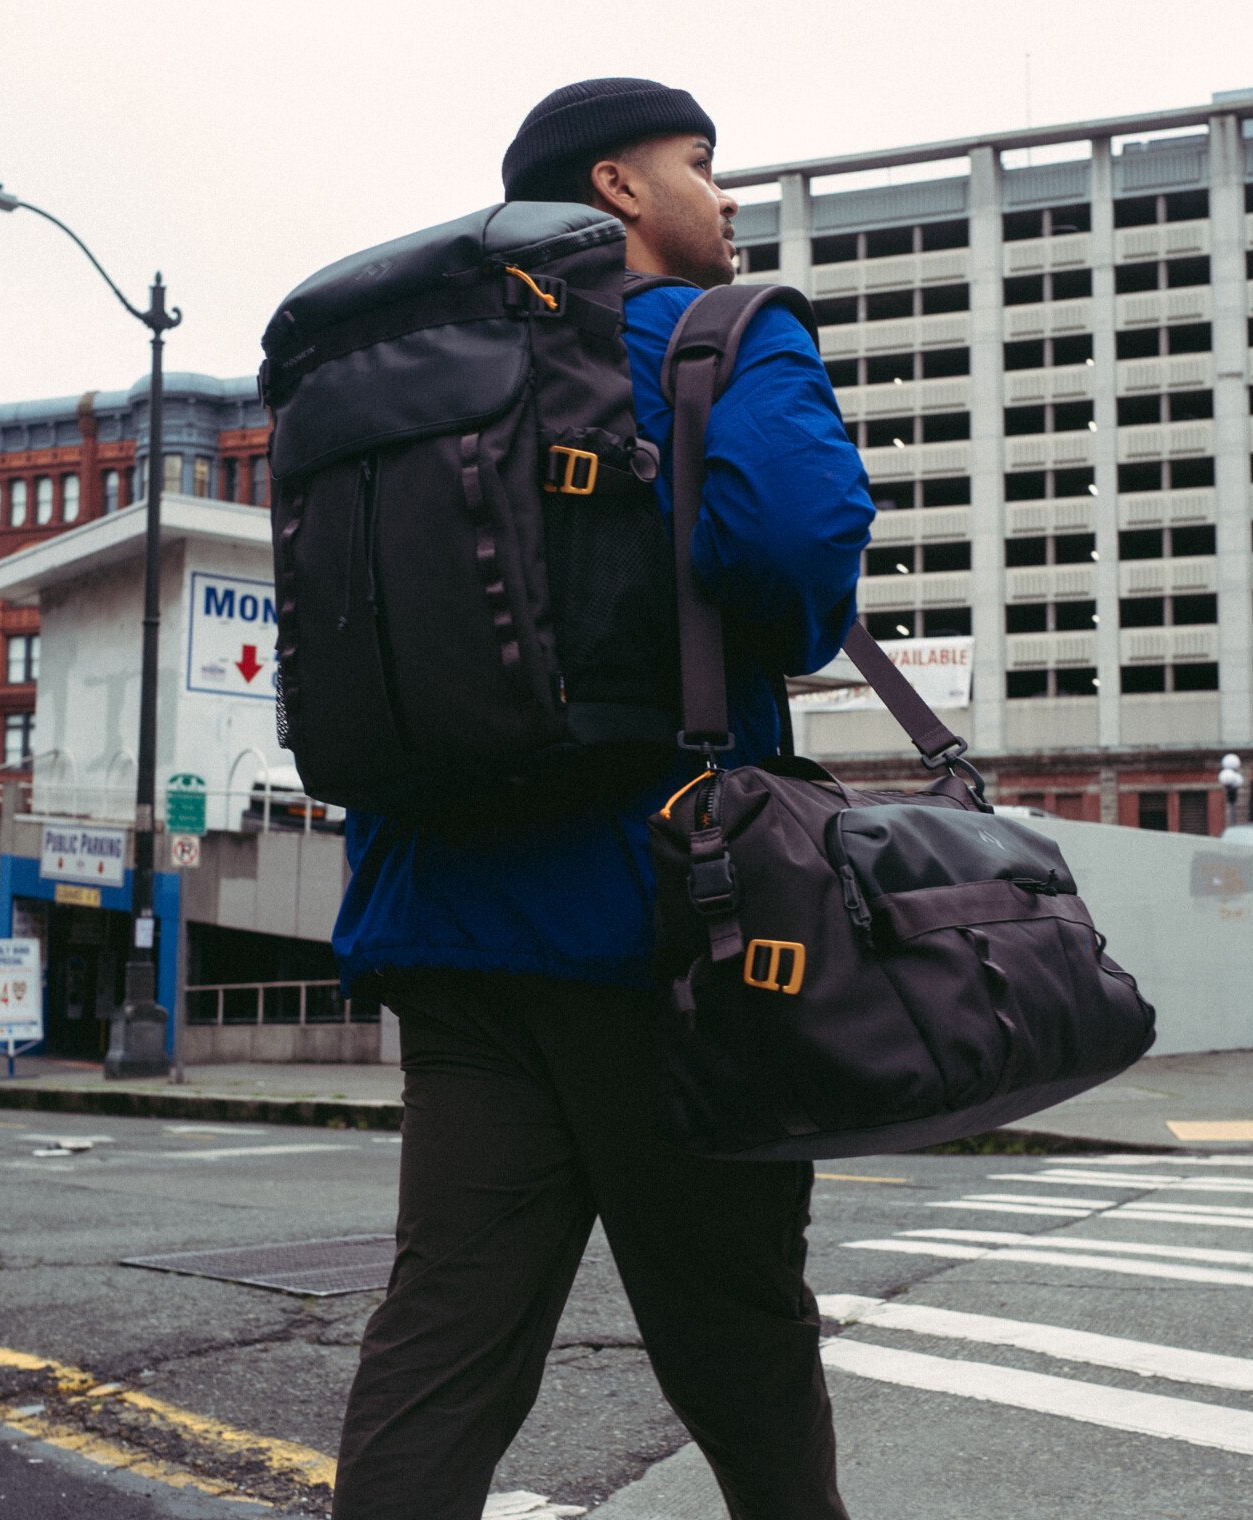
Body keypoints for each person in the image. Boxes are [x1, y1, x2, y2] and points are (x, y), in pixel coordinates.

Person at [327, 78, 870, 1520]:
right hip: (663, 927)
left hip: (444, 926)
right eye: (706, 164)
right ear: (621, 188)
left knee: (443, 1346)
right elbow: (799, 559)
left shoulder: (405, 367)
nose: (729, 197)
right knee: (738, 1332)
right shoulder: (721, 336)